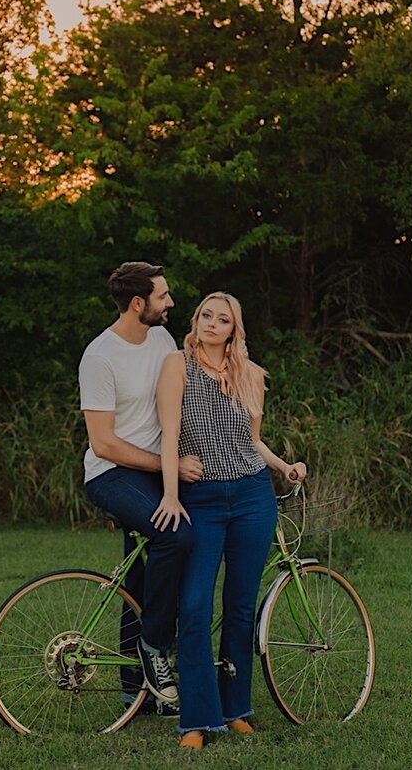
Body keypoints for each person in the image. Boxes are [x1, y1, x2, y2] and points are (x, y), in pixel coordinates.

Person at [153, 292, 304, 749]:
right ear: (195, 320)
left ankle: (236, 706)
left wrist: (284, 467)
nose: (212, 324)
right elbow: (169, 435)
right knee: (196, 606)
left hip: (253, 497)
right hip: (200, 500)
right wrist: (172, 495)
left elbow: (251, 442)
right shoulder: (177, 366)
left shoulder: (249, 375)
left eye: (223, 319)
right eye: (205, 316)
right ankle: (197, 719)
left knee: (241, 605)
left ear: (234, 330)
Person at [76, 261, 204, 711]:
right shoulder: (100, 357)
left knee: (141, 576)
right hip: (112, 474)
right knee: (176, 534)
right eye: (162, 296)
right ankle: (153, 650)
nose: (170, 303)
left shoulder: (162, 339)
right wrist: (167, 467)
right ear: (138, 303)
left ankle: (136, 691)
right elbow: (104, 442)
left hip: (156, 472)